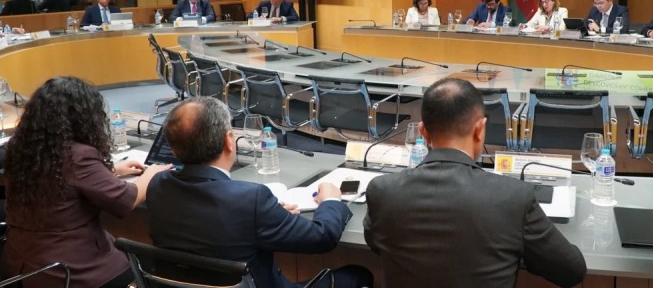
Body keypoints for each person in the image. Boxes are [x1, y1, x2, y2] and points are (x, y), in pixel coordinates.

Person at [363, 78, 586, 287]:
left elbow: (376, 243)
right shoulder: (514, 197)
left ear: (423, 132)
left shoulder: (382, 190)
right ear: (480, 129)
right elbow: (572, 271)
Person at [147, 96, 373, 288]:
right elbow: (322, 238)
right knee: (357, 275)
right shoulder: (250, 199)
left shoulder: (158, 185)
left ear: (173, 149)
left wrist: (270, 215)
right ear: (229, 141)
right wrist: (331, 200)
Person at [1, 77, 171, 288]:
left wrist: (111, 170)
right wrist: (151, 174)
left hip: (20, 266)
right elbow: (125, 200)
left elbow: (57, 178)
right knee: (140, 264)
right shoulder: (78, 155)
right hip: (70, 270)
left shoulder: (21, 147)